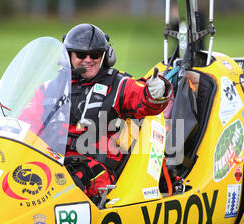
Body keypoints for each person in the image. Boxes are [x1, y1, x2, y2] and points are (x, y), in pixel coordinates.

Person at [23, 24, 173, 202]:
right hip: (53, 162)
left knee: (69, 181)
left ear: (105, 56)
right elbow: (26, 124)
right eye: (80, 55)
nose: (88, 60)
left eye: (95, 55)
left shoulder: (119, 84)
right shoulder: (50, 87)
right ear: (68, 55)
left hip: (95, 169)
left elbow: (144, 100)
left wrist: (157, 91)